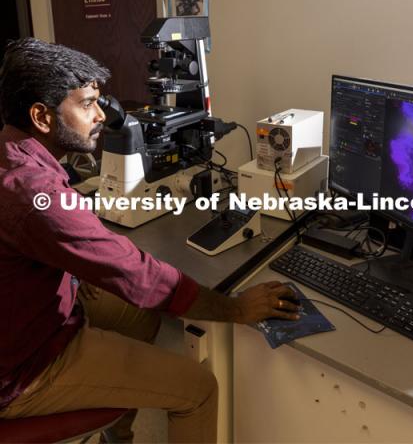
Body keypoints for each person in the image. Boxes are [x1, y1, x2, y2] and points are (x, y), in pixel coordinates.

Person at [0, 38, 300, 443]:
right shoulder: (36, 193)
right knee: (198, 390)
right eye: (87, 103)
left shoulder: (13, 154)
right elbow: (138, 275)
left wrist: (74, 268)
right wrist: (235, 308)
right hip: (25, 368)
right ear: (41, 116)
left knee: (141, 317)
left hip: (27, 314)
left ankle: (115, 436)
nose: (100, 116)